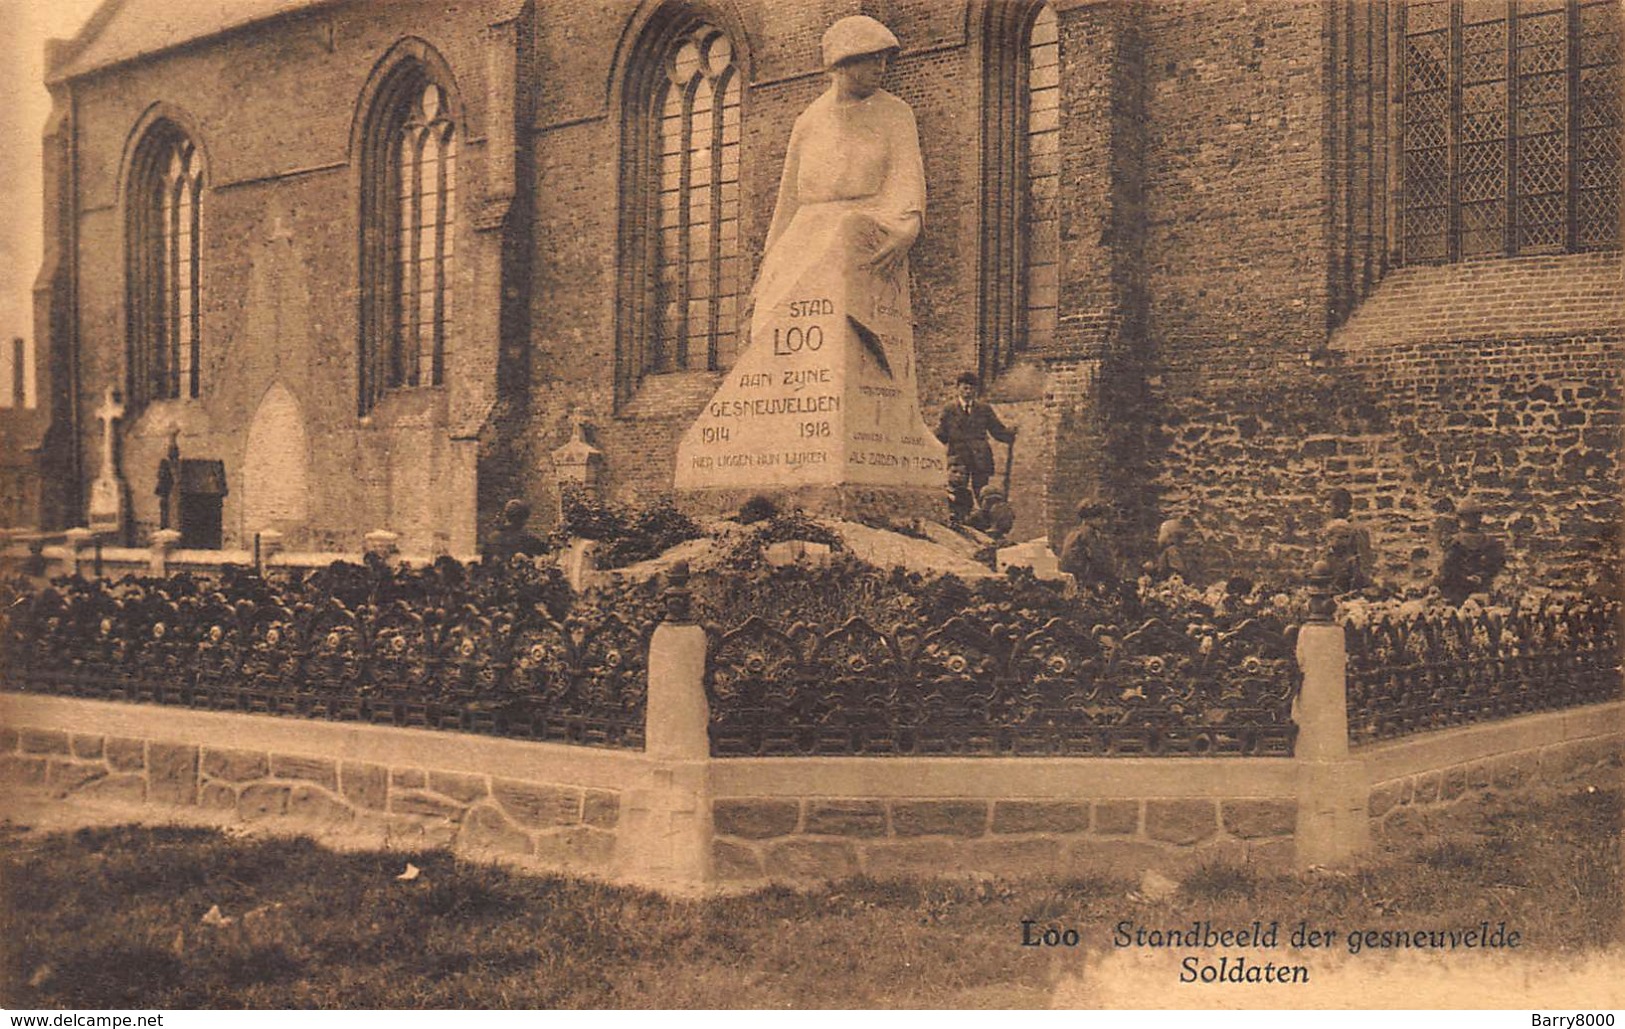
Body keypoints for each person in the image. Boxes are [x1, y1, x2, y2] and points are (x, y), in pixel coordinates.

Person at [936, 372, 1015, 523]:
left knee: (983, 492)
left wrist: (1009, 434)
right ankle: (959, 521)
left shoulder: (984, 409)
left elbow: (996, 430)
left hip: (980, 457)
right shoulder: (949, 410)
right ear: (958, 389)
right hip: (958, 458)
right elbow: (942, 433)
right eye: (965, 388)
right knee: (958, 491)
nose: (968, 392)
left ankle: (985, 523)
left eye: (971, 389)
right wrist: (928, 442)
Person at [1436, 499, 1506, 604]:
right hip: (1470, 590)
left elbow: (1446, 569)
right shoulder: (1489, 541)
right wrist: (1478, 577)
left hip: (1462, 592)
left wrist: (1473, 577)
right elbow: (1496, 565)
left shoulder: (1455, 541)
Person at [1323, 487, 1374, 592]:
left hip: (1350, 585)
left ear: (1341, 508)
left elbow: (1364, 561)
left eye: (1329, 506)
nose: (1325, 510)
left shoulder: (1357, 529)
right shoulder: (1331, 526)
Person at [1058, 498, 1116, 589]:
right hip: (1088, 581)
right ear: (1091, 518)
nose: (1104, 522)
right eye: (1101, 518)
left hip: (1075, 579)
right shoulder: (1089, 534)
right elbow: (1098, 558)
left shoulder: (1074, 532)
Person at [1154, 516, 1197, 583]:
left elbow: (1179, 569)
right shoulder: (1166, 551)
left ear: (1169, 536)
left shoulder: (1172, 550)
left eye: (1162, 533)